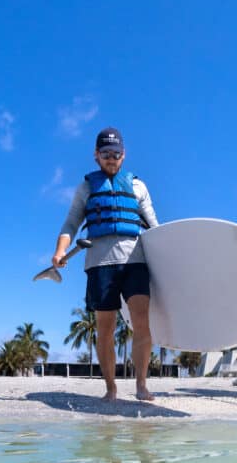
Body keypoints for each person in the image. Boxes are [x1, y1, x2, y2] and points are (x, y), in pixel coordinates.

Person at [52, 127, 158, 401]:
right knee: (106, 328)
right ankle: (111, 387)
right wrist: (59, 251)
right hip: (100, 264)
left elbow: (155, 226)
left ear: (124, 155)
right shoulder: (87, 186)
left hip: (135, 260)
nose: (111, 158)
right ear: (96, 155)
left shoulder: (137, 186)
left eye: (116, 153)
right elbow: (71, 223)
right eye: (106, 153)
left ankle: (141, 384)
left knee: (142, 324)